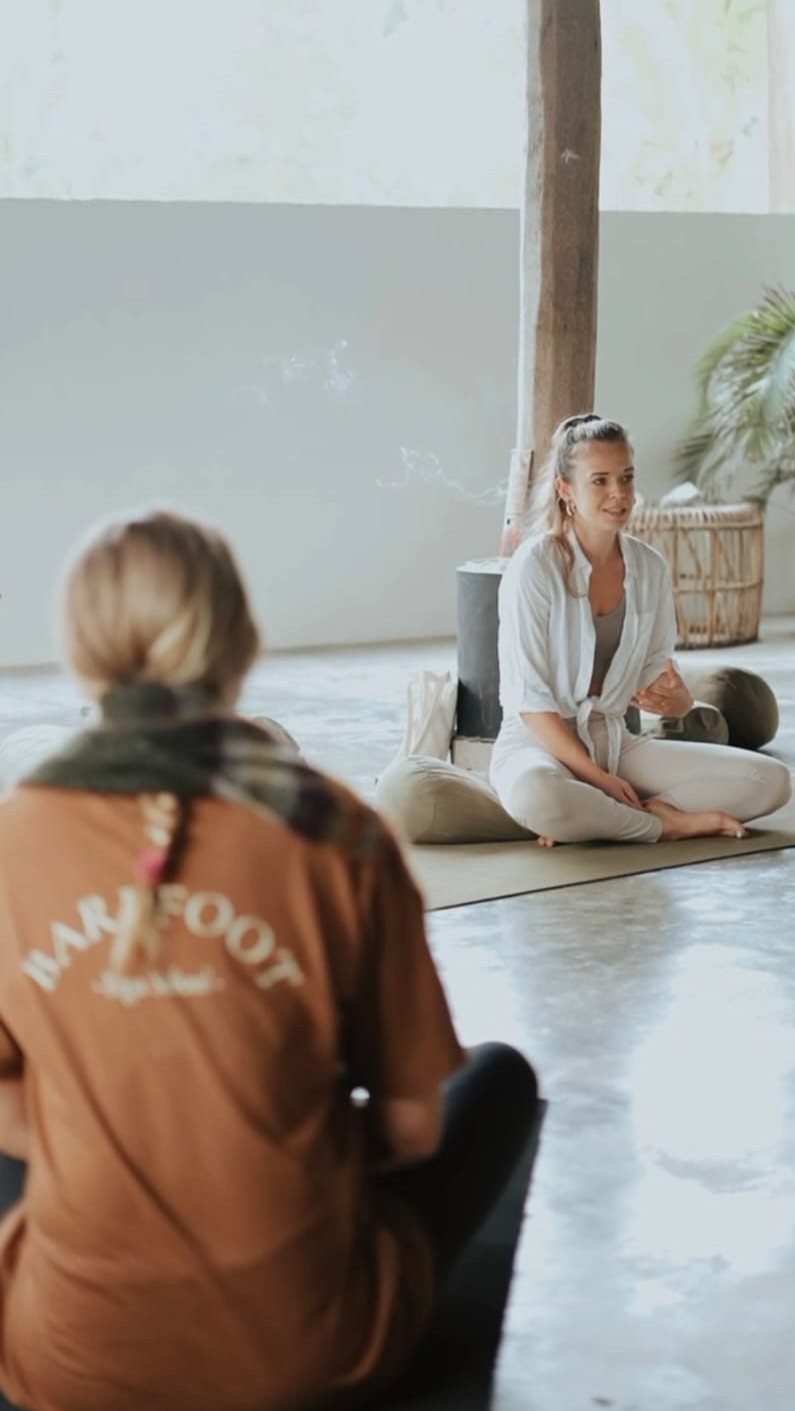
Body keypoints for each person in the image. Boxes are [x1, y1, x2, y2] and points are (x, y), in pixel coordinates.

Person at [0, 508, 538, 1411]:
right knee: (498, 1080)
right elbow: (410, 1128)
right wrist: (271, 1154)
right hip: (310, 1357)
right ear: (241, 641)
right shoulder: (339, 830)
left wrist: (115, 1142)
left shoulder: (13, 837)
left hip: (70, 1364)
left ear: (80, 650)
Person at [489, 413, 792, 847]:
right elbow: (531, 704)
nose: (619, 494)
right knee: (539, 793)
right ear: (565, 490)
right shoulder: (534, 566)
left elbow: (658, 674)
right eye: (600, 481)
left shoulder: (649, 566)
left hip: (617, 745)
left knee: (770, 779)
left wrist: (680, 701)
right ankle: (662, 824)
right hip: (538, 747)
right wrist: (597, 779)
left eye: (626, 478)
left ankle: (595, 819)